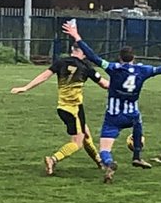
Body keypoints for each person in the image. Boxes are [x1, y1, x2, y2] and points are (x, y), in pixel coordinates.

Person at [61, 20, 161, 183]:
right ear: (134, 58)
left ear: (120, 58)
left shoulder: (113, 68)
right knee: (138, 121)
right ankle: (137, 156)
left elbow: (92, 56)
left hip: (113, 115)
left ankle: (109, 163)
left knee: (105, 148)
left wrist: (76, 36)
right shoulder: (143, 70)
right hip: (131, 114)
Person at [10, 43, 109, 175]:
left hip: (63, 107)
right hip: (73, 109)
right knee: (77, 142)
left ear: (72, 50)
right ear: (84, 53)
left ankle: (99, 162)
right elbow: (104, 84)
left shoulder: (61, 62)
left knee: (86, 134)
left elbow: (44, 76)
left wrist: (26, 87)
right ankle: (53, 159)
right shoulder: (86, 67)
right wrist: (121, 84)